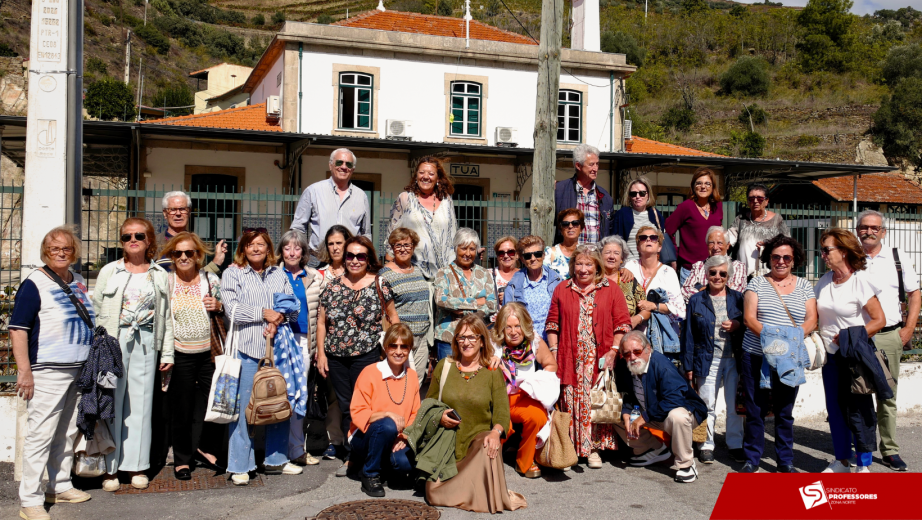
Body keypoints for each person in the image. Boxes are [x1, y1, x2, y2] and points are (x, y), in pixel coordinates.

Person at [12, 227, 94, 520]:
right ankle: (30, 499)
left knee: (67, 432)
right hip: (47, 371)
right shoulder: (34, 282)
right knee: (40, 435)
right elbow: (18, 330)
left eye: (66, 249)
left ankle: (58, 485)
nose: (60, 253)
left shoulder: (79, 280)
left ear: (75, 252)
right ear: (46, 252)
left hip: (78, 370)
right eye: (54, 248)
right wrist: (25, 372)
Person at [93, 218, 174, 491]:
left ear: (149, 239)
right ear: (122, 241)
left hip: (147, 341)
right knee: (112, 403)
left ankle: (137, 466)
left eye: (139, 235)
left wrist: (168, 353)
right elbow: (96, 310)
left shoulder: (159, 274)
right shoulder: (109, 271)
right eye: (127, 236)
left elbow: (167, 317)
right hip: (115, 341)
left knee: (141, 405)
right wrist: (98, 347)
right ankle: (110, 469)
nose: (133, 240)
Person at [220, 229, 302, 485]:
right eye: (250, 245)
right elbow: (230, 308)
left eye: (261, 244)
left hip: (277, 349)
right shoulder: (233, 273)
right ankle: (240, 465)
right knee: (245, 407)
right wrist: (264, 313)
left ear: (268, 249)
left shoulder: (278, 274)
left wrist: (278, 320)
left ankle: (277, 459)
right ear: (243, 249)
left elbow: (293, 305)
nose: (256, 249)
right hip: (245, 349)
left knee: (277, 402)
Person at [425, 315, 527, 513]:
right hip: (446, 444)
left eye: (472, 337)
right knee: (433, 494)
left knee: (489, 445)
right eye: (461, 338)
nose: (466, 342)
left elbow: (501, 414)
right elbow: (429, 405)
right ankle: (471, 489)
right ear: (455, 341)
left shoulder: (492, 371)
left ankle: (473, 490)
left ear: (481, 341)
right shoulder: (444, 367)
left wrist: (496, 432)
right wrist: (439, 417)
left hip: (477, 445)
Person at [317, 236, 399, 478]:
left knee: (368, 407)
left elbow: (394, 318)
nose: (354, 260)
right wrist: (321, 353)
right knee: (346, 408)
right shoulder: (332, 285)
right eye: (350, 255)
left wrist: (395, 351)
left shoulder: (379, 284)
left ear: (368, 259)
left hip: (367, 355)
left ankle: (372, 456)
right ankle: (353, 456)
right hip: (336, 357)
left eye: (360, 256)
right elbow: (322, 322)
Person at [546, 245, 631, 468]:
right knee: (571, 401)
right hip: (570, 356)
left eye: (589, 265)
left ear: (597, 267)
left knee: (597, 402)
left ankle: (593, 448)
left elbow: (622, 323)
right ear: (573, 266)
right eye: (579, 264)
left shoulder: (610, 289)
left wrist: (613, 350)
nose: (583, 269)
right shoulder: (562, 289)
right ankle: (570, 449)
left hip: (599, 356)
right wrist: (554, 352)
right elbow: (552, 323)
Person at [740, 234, 817, 473]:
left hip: (789, 358)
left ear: (794, 260)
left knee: (785, 411)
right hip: (756, 354)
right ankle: (752, 459)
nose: (781, 261)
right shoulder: (757, 283)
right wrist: (776, 340)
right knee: (755, 409)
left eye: (786, 257)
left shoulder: (805, 286)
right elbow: (749, 318)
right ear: (768, 258)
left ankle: (785, 460)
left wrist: (788, 343)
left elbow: (812, 319)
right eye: (776, 257)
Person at [815, 228, 886, 474]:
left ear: (843, 251)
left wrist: (849, 337)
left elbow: (878, 320)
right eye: (822, 250)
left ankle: (864, 464)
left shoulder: (860, 281)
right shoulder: (824, 281)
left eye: (826, 249)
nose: (822, 254)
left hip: (854, 357)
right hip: (831, 358)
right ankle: (842, 460)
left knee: (859, 409)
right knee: (835, 410)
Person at [856, 210, 918, 471]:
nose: (869, 231)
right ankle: (859, 448)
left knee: (887, 395)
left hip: (889, 335)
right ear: (857, 230)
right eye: (864, 227)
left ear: (883, 232)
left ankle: (890, 449)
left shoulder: (897, 257)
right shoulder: (849, 256)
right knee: (856, 395)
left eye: (874, 227)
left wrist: (908, 329)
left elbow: (914, 293)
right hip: (856, 337)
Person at [160, 232, 223, 480]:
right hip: (180, 354)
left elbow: (226, 306)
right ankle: (182, 460)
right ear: (172, 257)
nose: (184, 257)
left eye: (190, 252)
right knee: (182, 410)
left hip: (209, 354)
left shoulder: (210, 279)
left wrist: (219, 306)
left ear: (198, 255)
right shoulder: (167, 282)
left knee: (215, 405)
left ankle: (207, 449)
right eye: (178, 253)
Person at [614, 331, 707, 483]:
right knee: (614, 414)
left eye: (637, 351)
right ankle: (652, 449)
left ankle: (686, 465)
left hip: (680, 413)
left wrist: (643, 418)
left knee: (678, 416)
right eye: (627, 354)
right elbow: (630, 396)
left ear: (648, 349)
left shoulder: (662, 366)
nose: (632, 357)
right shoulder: (627, 367)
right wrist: (626, 415)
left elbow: (675, 399)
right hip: (652, 413)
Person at [680, 255, 745, 464]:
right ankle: (706, 444)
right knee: (707, 403)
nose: (717, 277)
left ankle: (735, 444)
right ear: (706, 274)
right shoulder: (696, 299)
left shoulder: (738, 298)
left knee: (734, 405)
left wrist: (737, 325)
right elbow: (688, 334)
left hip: (734, 359)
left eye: (722, 273)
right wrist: (688, 365)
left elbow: (748, 323)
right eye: (713, 273)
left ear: (729, 276)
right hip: (706, 359)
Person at [348, 323, 421, 497]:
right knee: (387, 425)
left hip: (396, 436)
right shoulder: (370, 372)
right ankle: (370, 474)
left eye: (404, 346)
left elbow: (415, 413)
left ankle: (385, 466)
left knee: (404, 464)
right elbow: (358, 412)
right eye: (393, 346)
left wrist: (404, 437)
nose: (398, 351)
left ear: (409, 349)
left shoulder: (411, 376)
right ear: (385, 347)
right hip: (365, 435)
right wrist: (387, 414)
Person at [492, 303, 558, 478]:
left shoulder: (533, 341)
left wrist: (535, 384)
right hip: (498, 399)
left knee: (538, 416)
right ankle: (488, 461)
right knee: (503, 426)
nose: (513, 332)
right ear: (501, 329)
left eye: (518, 326)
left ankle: (525, 462)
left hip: (523, 396)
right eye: (508, 327)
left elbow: (551, 365)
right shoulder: (493, 345)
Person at [277, 230, 325, 467]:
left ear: (303, 252)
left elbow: (320, 314)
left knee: (300, 394)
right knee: (282, 393)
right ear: (281, 251)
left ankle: (297, 448)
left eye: (297, 248)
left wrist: (318, 347)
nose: (292, 252)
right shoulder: (274, 275)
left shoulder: (314, 277)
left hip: (305, 341)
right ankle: (278, 450)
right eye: (287, 248)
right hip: (281, 340)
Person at [290, 148, 371, 266]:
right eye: (339, 162)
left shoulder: (361, 196)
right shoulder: (313, 191)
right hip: (317, 260)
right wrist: (301, 255)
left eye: (348, 164)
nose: (343, 167)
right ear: (330, 165)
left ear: (352, 169)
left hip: (349, 262)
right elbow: (298, 228)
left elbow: (365, 233)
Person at [315, 224, 353, 460]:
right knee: (332, 396)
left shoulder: (358, 270)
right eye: (331, 243)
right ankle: (333, 439)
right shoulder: (320, 275)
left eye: (339, 242)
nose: (335, 247)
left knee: (353, 396)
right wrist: (320, 350)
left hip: (357, 345)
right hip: (330, 343)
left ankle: (353, 439)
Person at [385, 156, 457, 280]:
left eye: (431, 173)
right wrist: (390, 265)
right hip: (414, 271)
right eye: (421, 172)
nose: (425, 176)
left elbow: (454, 233)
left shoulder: (447, 200)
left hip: (445, 274)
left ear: (438, 178)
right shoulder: (405, 199)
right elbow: (391, 235)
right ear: (416, 175)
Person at [433, 228, 498, 361]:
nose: (467, 253)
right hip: (449, 337)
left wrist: (462, 310)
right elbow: (441, 300)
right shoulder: (443, 273)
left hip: (476, 337)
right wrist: (476, 303)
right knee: (448, 377)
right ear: (456, 248)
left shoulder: (484, 273)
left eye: (472, 249)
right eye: (463, 248)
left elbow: (492, 304)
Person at [378, 228, 431, 388]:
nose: (403, 249)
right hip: (402, 338)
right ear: (392, 248)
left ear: (413, 247)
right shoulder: (385, 274)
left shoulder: (419, 270)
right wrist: (400, 340)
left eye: (407, 245)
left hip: (422, 337)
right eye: (398, 245)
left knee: (417, 382)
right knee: (400, 382)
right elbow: (389, 312)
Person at [624, 226, 685, 356]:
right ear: (638, 246)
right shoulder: (629, 267)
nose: (648, 240)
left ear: (659, 247)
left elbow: (680, 311)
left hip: (659, 339)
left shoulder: (668, 272)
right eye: (643, 238)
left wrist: (653, 306)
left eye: (653, 238)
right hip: (633, 337)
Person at [665, 168, 724, 284]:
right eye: (699, 183)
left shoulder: (718, 207)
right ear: (693, 186)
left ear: (713, 188)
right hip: (690, 270)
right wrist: (674, 256)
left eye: (707, 183)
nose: (703, 187)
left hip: (713, 269)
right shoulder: (685, 207)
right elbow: (667, 231)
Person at [503, 235, 562, 341]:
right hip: (525, 344)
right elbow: (506, 320)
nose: (533, 259)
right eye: (528, 256)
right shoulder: (513, 286)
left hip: (552, 343)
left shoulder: (556, 281)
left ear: (543, 256)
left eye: (538, 254)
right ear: (522, 259)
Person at [553, 144, 614, 245]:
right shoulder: (559, 190)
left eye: (597, 164)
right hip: (570, 257)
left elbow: (609, 230)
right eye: (591, 164)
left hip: (596, 257)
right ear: (578, 166)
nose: (595, 169)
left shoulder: (605, 196)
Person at [726, 183, 790, 279]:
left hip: (770, 275)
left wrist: (769, 245)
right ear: (748, 201)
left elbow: (788, 243)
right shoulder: (740, 220)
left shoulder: (777, 220)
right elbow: (729, 238)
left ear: (766, 201)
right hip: (744, 276)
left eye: (760, 199)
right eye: (751, 199)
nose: (755, 201)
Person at [156, 191, 227, 273]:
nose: (178, 213)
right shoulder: (152, 243)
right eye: (172, 209)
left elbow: (200, 277)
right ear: (165, 213)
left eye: (182, 209)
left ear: (189, 212)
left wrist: (217, 261)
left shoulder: (197, 244)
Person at [680, 226, 747, 303]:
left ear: (728, 245)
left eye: (720, 243)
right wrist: (722, 290)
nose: (715, 247)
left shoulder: (738, 266)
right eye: (711, 243)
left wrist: (701, 289)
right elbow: (685, 290)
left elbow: (736, 293)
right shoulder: (699, 265)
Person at [612, 177, 667, 260]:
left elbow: (661, 240)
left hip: (652, 265)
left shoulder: (656, 214)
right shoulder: (622, 214)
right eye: (633, 194)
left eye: (642, 193)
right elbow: (614, 242)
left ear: (648, 195)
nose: (638, 196)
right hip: (629, 267)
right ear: (629, 197)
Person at [599, 235, 647, 328]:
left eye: (616, 253)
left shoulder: (628, 279)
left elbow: (646, 308)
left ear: (621, 259)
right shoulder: (592, 279)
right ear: (600, 256)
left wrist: (637, 318)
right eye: (607, 252)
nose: (612, 256)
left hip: (624, 335)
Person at [544, 208, 583, 280]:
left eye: (575, 223)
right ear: (561, 230)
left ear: (581, 229)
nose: (570, 226)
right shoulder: (550, 253)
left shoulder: (587, 252)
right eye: (565, 224)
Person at [492, 236, 518, 307]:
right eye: (501, 253)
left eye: (510, 252)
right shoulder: (488, 275)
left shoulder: (525, 276)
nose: (506, 256)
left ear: (517, 254)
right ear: (497, 256)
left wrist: (510, 297)